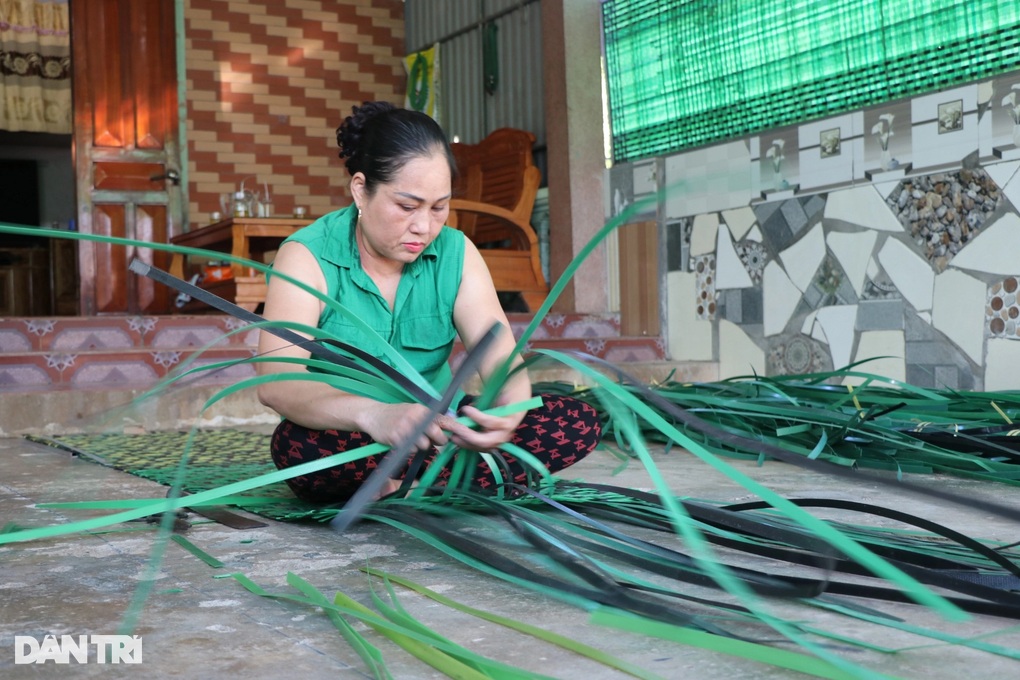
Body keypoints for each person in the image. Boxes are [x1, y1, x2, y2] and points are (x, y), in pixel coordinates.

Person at [256, 101, 602, 503]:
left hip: (439, 432)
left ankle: (410, 486)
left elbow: (503, 362)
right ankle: (452, 484)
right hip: (354, 433)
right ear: (360, 190)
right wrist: (376, 415)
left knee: (574, 420)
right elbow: (277, 382)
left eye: (439, 207)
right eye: (407, 206)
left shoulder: (456, 253)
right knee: (296, 447)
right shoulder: (307, 256)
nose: (424, 226)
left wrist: (508, 412)